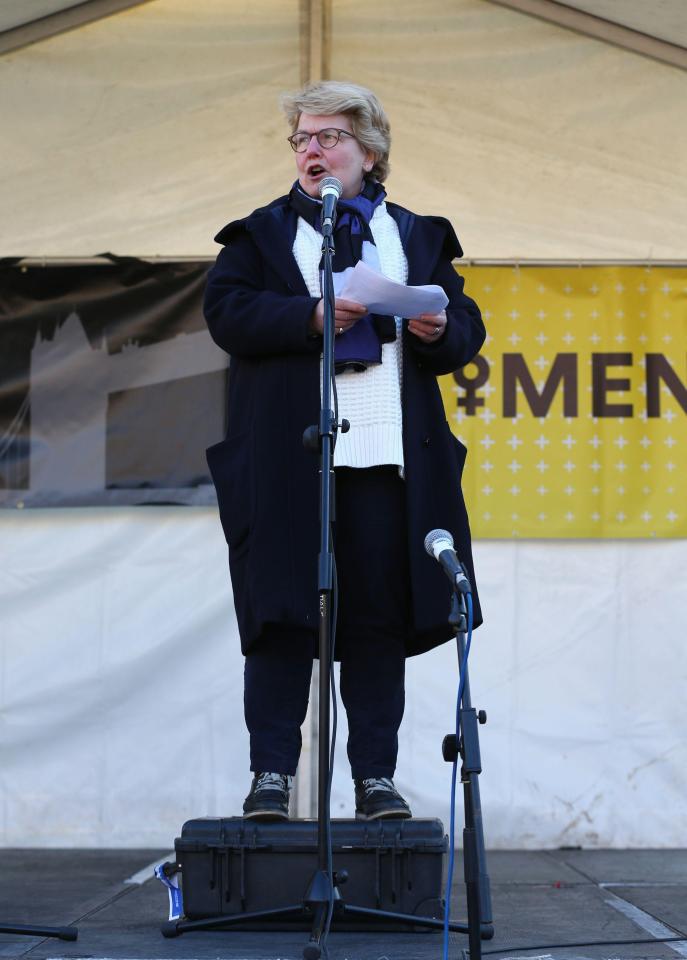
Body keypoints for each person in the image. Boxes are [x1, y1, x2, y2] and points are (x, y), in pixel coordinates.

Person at [204, 80, 485, 823]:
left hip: (387, 463)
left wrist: (437, 330)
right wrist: (311, 314)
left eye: (327, 137)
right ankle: (271, 777)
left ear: (368, 149)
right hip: (293, 460)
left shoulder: (416, 234)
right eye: (301, 139)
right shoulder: (261, 235)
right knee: (282, 615)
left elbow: (463, 327)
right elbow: (227, 314)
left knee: (375, 624)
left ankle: (375, 781)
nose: (311, 151)